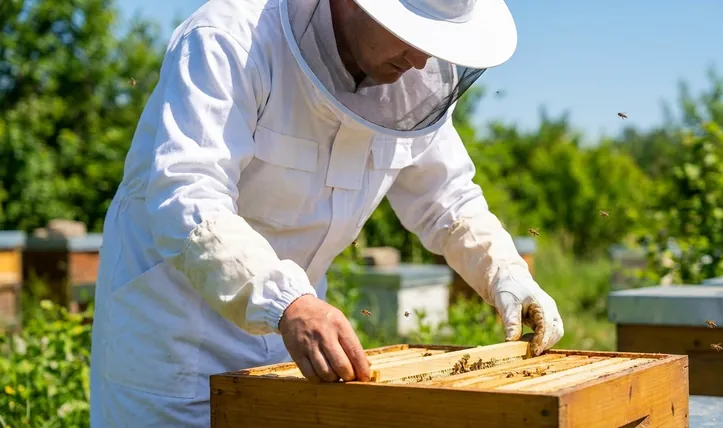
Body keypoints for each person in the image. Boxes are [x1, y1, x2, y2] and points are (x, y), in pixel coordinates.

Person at [89, 0, 565, 425]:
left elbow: (449, 200)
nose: (422, 59)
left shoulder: (408, 84)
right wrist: (286, 302)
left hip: (298, 341)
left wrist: (503, 271)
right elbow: (188, 194)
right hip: (175, 343)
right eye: (412, 33)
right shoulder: (229, 37)